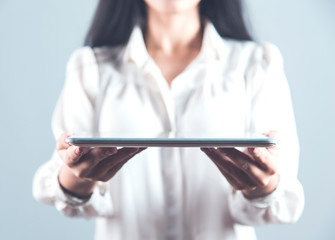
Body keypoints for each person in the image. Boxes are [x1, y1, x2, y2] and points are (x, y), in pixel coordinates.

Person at [33, 0, 304, 239]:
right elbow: (61, 187)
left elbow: (285, 199)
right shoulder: (90, 69)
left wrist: (263, 187)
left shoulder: (257, 64)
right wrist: (77, 178)